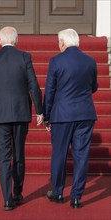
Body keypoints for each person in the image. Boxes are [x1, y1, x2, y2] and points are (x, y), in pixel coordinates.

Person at [0, 26, 43, 211]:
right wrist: (40, 111)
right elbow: (34, 86)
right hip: (21, 112)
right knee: (18, 153)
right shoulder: (24, 57)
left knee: (3, 157)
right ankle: (17, 192)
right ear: (16, 40)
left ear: (0, 41)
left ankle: (7, 199)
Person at [43, 29, 98, 208]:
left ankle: (58, 193)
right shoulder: (90, 61)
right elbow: (94, 87)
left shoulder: (56, 61)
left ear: (62, 42)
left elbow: (50, 90)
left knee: (59, 154)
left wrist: (47, 115)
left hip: (62, 115)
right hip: (85, 114)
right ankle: (76, 197)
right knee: (81, 156)